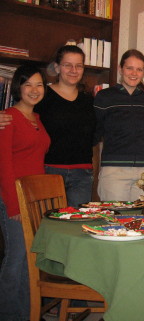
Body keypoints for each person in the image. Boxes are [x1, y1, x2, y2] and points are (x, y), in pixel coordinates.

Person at [0, 64, 50, 320]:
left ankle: (26, 312)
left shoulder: (37, 119)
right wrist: (14, 205)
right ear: (19, 87)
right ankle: (9, 314)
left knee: (29, 260)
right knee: (16, 258)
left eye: (39, 84)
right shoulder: (8, 117)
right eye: (28, 84)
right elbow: (5, 165)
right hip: (14, 198)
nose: (34, 89)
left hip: (33, 200)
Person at [94, 49, 144, 202]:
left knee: (142, 218)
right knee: (115, 220)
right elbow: (95, 132)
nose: (134, 73)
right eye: (129, 68)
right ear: (120, 69)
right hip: (114, 171)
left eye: (139, 69)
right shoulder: (104, 97)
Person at [33, 45, 96, 208]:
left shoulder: (89, 100)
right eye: (68, 65)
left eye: (79, 65)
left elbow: (96, 134)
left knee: (76, 225)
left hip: (82, 174)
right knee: (51, 223)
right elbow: (22, 118)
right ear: (56, 67)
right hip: (50, 171)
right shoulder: (42, 97)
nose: (73, 70)